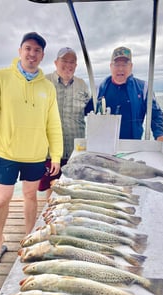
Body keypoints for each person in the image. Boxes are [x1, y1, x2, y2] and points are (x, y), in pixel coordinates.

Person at [0, 32, 63, 269]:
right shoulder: (0, 78)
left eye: (37, 50)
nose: (32, 54)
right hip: (6, 154)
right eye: (28, 48)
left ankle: (29, 239)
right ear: (20, 51)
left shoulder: (47, 86)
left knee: (30, 198)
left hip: (35, 156)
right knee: (2, 199)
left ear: (42, 55)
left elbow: (53, 124)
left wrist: (55, 154)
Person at [87, 46, 163, 146]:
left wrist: (159, 135)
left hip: (133, 145)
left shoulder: (144, 88)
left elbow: (155, 114)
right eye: (117, 64)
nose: (120, 68)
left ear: (131, 66)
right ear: (110, 66)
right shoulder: (99, 89)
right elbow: (87, 110)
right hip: (104, 144)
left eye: (125, 64)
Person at [38, 47, 90, 198]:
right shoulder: (44, 82)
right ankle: (50, 215)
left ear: (76, 65)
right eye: (64, 61)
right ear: (55, 62)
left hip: (75, 148)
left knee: (74, 187)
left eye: (72, 62)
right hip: (49, 150)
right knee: (50, 186)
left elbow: (89, 111)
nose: (68, 65)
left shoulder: (82, 85)